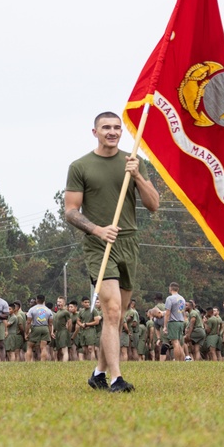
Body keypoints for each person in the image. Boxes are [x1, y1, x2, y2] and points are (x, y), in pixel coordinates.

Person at [64, 112, 159, 392]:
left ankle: (98, 373)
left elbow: (153, 204)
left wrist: (138, 175)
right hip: (98, 243)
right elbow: (70, 211)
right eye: (106, 127)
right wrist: (97, 230)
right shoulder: (80, 166)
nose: (112, 132)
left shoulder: (132, 162)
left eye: (117, 128)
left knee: (116, 316)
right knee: (113, 309)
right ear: (94, 131)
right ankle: (116, 379)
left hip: (128, 242)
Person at [26, 295, 54, 361]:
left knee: (29, 346)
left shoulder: (32, 309)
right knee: (43, 347)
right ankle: (43, 362)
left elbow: (28, 322)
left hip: (35, 328)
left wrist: (26, 332)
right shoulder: (48, 310)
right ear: (44, 300)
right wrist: (50, 332)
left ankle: (28, 362)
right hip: (45, 328)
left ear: (36, 300)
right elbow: (50, 324)